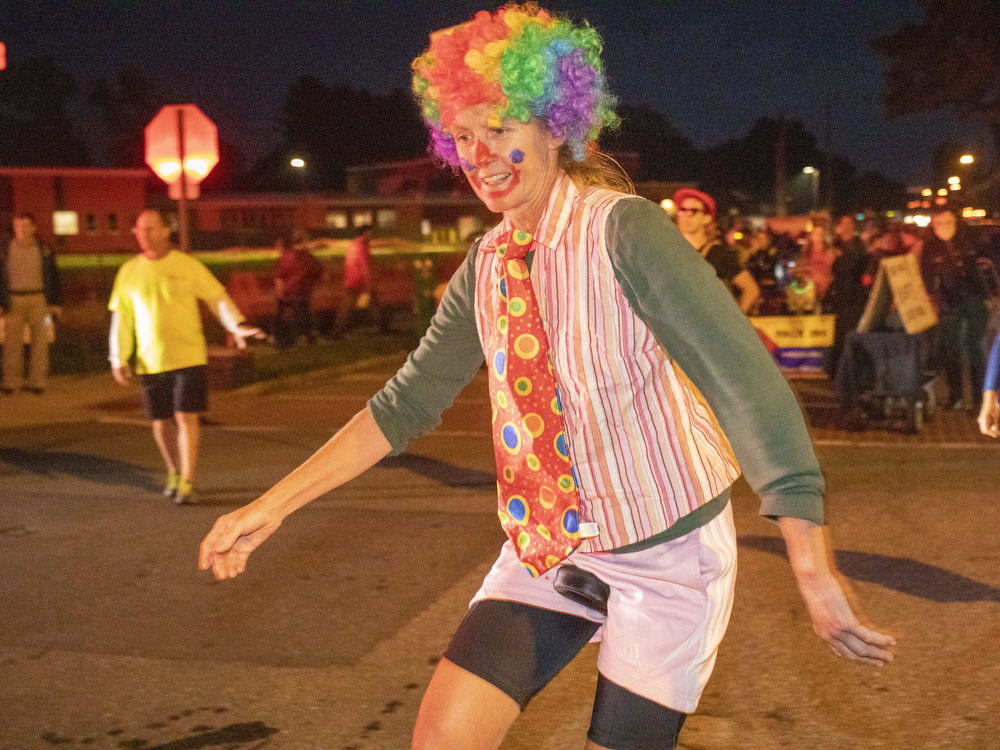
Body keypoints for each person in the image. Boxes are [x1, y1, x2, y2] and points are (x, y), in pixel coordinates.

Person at [199, 6, 895, 750]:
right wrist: (272, 506)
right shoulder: (485, 267)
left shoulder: (625, 232)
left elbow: (747, 388)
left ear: (556, 126)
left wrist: (813, 571)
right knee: (441, 740)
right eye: (463, 137)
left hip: (668, 554)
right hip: (550, 547)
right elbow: (402, 405)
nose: (480, 155)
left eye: (499, 128)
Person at [108, 209, 262, 504]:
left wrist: (236, 324)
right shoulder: (129, 271)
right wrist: (118, 357)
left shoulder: (187, 265)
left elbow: (216, 297)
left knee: (185, 415)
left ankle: (188, 480)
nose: (143, 235)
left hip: (189, 356)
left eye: (150, 229)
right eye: (139, 230)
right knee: (160, 421)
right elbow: (122, 318)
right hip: (151, 360)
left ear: (166, 231)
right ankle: (173, 471)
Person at [920, 207, 991, 410]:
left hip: (975, 298)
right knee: (950, 349)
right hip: (949, 302)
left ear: (955, 222)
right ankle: (956, 396)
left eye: (948, 222)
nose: (944, 227)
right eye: (939, 223)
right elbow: (925, 275)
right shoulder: (930, 247)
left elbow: (985, 264)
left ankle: (978, 399)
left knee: (975, 348)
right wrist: (930, 299)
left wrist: (988, 294)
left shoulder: (968, 240)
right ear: (933, 226)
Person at [1, 213, 62, 395]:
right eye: (18, 226)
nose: (21, 229)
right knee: (12, 344)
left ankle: (38, 382)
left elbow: (54, 275)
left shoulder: (43, 249)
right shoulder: (5, 249)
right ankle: (11, 382)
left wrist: (56, 302)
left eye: (25, 225)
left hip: (39, 299)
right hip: (13, 300)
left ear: (33, 228)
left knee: (40, 342)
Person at [673, 187, 760, 314]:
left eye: (693, 211)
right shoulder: (670, 253)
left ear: (706, 218)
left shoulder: (719, 254)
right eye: (682, 210)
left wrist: (733, 319)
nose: (686, 215)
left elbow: (751, 289)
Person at [828, 215, 871, 376]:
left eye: (849, 223)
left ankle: (857, 367)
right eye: (843, 223)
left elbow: (864, 265)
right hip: (841, 294)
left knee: (856, 329)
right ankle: (840, 368)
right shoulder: (835, 245)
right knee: (841, 332)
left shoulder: (859, 244)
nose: (847, 226)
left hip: (856, 293)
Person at [272, 231, 324, 348]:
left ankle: (285, 340)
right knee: (303, 316)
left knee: (288, 317)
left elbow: (279, 276)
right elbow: (320, 275)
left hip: (287, 293)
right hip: (302, 293)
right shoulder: (309, 258)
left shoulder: (286, 257)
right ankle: (306, 338)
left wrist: (280, 294)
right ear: (304, 241)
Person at [332, 226, 374, 337]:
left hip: (350, 280)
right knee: (348, 307)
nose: (371, 236)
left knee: (348, 307)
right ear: (365, 233)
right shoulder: (362, 246)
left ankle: (341, 330)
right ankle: (338, 331)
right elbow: (364, 266)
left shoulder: (353, 245)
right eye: (369, 233)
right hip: (358, 281)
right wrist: (367, 285)